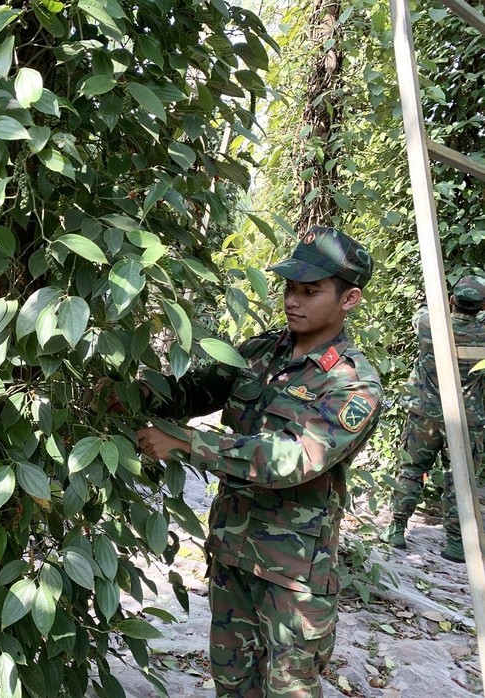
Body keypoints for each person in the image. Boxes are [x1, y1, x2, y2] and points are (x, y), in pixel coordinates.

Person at [119, 226, 381, 696]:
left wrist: (186, 443)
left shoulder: (352, 385)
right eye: (289, 288)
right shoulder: (261, 352)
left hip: (293, 576)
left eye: (310, 291)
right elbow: (190, 391)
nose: (292, 301)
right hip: (233, 553)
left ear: (349, 299)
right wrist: (126, 393)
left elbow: (294, 459)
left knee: (288, 689)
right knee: (233, 683)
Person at [379, 275, 485, 562]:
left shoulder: (431, 324)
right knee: (461, 479)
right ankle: (455, 544)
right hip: (466, 419)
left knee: (411, 469)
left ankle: (396, 529)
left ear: (453, 300)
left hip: (424, 414)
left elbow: (423, 310)